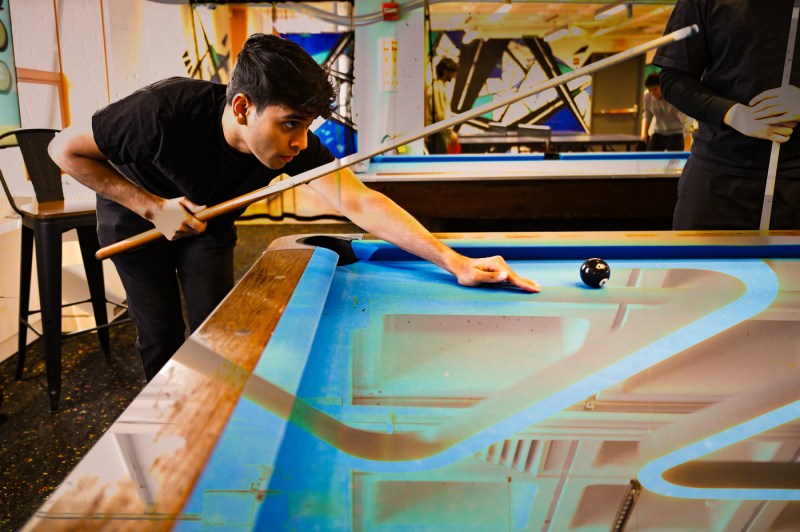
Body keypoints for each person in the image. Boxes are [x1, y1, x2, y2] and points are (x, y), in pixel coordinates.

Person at [48, 34, 540, 380]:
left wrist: (454, 262)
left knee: (215, 331)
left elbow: (360, 202)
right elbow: (64, 151)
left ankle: (215, 421)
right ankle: (167, 440)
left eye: (308, 126)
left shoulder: (293, 144)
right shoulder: (158, 114)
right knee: (160, 336)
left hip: (209, 222)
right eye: (289, 125)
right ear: (243, 108)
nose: (301, 143)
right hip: (139, 216)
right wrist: (156, 207)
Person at [652, 0, 800, 230]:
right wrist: (732, 114)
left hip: (795, 179)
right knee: (694, 266)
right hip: (717, 177)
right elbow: (674, 80)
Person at [640, 71, 693, 152]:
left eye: (655, 89)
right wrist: (644, 133)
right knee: (649, 157)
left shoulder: (675, 97)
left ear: (663, 86)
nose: (653, 93)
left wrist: (687, 149)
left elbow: (687, 123)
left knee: (677, 160)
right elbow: (647, 115)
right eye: (650, 90)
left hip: (677, 133)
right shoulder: (647, 96)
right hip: (659, 132)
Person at [424, 57, 459, 154]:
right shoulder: (438, 88)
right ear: (445, 71)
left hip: (436, 133)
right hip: (436, 134)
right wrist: (450, 132)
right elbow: (440, 115)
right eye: (452, 72)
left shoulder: (438, 86)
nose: (454, 75)